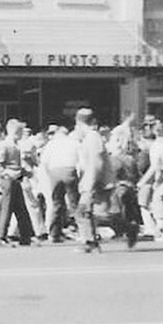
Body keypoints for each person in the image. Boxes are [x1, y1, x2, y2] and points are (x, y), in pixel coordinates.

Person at [0, 118, 34, 247]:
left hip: (15, 179)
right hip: (8, 180)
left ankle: (26, 236)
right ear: (15, 131)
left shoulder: (15, 146)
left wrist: (23, 173)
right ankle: (2, 236)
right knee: (7, 207)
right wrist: (7, 174)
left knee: (20, 207)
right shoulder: (4, 145)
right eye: (20, 131)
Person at [73, 108, 108, 253]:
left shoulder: (92, 137)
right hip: (90, 179)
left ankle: (89, 241)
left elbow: (96, 162)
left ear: (80, 123)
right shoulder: (90, 137)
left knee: (82, 212)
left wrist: (91, 182)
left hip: (92, 180)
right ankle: (92, 240)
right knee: (90, 213)